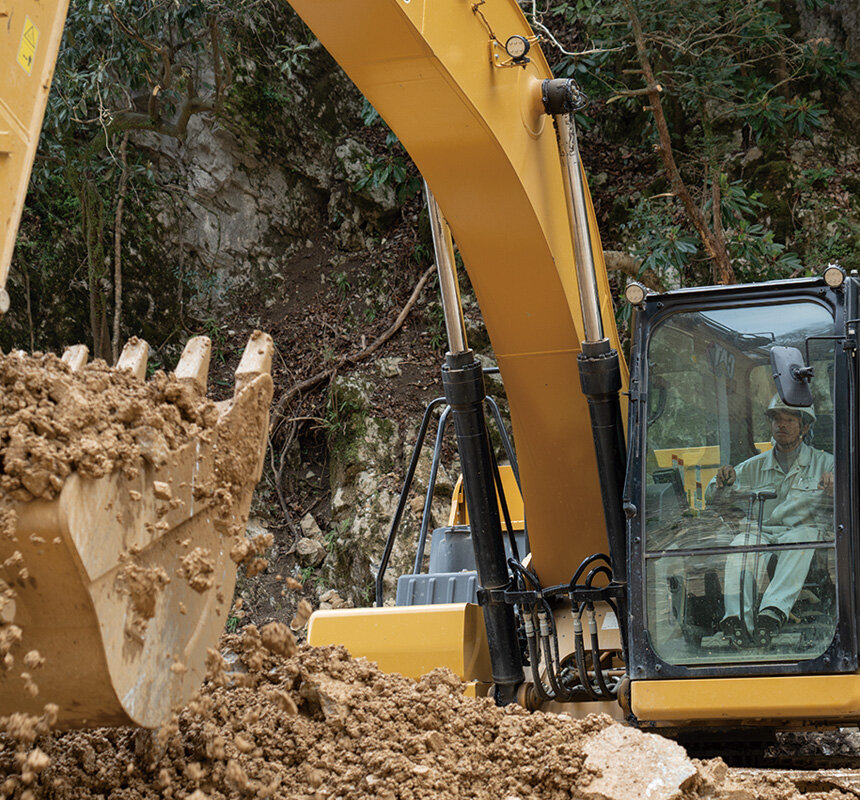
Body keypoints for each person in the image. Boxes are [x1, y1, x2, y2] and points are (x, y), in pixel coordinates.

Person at [707, 394, 833, 646]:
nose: (781, 425)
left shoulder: (826, 464)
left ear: (805, 427)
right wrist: (721, 482)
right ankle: (737, 620)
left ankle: (772, 612)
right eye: (776, 419)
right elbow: (712, 497)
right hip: (762, 533)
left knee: (803, 536)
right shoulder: (754, 466)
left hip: (801, 532)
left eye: (788, 419)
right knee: (741, 542)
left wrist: (835, 486)